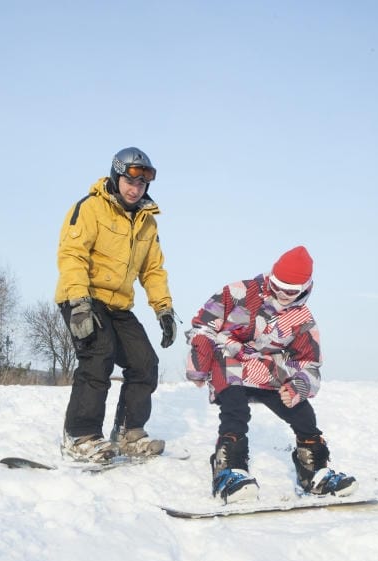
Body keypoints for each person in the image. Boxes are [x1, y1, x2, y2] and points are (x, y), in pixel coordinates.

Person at [185, 246, 357, 503]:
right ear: (271, 277)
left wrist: (298, 385)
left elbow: (308, 360)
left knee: (302, 412)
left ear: (305, 288)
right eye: (277, 286)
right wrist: (199, 365)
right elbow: (202, 326)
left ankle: (314, 471)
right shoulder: (239, 292)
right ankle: (229, 470)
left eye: (291, 291)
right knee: (236, 410)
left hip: (268, 369)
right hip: (229, 360)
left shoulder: (302, 318)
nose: (282, 294)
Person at [55, 146, 177, 462]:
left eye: (141, 185)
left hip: (118, 305)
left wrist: (163, 308)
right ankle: (80, 435)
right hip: (83, 296)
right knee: (99, 355)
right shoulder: (92, 208)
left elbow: (152, 269)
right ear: (116, 176)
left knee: (144, 362)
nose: (135, 189)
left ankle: (128, 433)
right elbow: (72, 254)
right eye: (130, 182)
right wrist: (79, 301)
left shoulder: (147, 222)